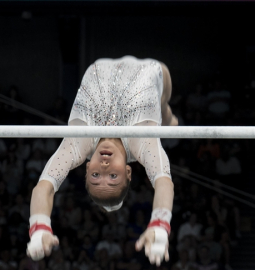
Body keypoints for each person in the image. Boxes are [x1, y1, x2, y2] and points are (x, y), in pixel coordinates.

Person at [27, 56, 177, 266]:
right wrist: (160, 225)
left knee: (164, 120)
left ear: (87, 168)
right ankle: (168, 117)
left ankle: (168, 120)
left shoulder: (79, 144)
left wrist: (39, 226)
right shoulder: (142, 143)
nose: (104, 167)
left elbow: (45, 187)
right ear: (128, 172)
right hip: (151, 68)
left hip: (100, 64)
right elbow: (163, 182)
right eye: (113, 176)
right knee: (164, 110)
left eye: (96, 176)